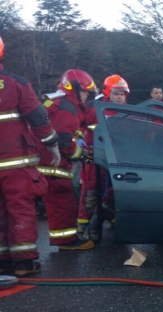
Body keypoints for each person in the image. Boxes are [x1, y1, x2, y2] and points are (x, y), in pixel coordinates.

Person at [0, 35, 60, 277]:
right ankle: (24, 263)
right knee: (20, 208)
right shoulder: (15, 83)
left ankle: (2, 262)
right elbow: (38, 118)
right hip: (16, 164)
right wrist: (53, 145)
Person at [39, 69, 96, 251]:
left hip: (44, 162)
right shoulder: (67, 106)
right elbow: (64, 141)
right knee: (62, 202)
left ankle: (64, 240)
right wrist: (81, 154)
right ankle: (66, 242)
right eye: (85, 91)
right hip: (53, 165)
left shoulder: (59, 103)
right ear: (74, 88)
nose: (87, 95)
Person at [78, 74, 128, 242]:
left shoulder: (127, 111)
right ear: (108, 93)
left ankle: (103, 224)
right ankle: (82, 231)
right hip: (94, 157)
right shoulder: (95, 108)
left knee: (113, 193)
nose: (120, 97)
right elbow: (78, 125)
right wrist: (80, 142)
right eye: (116, 93)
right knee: (90, 193)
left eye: (122, 94)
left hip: (116, 159)